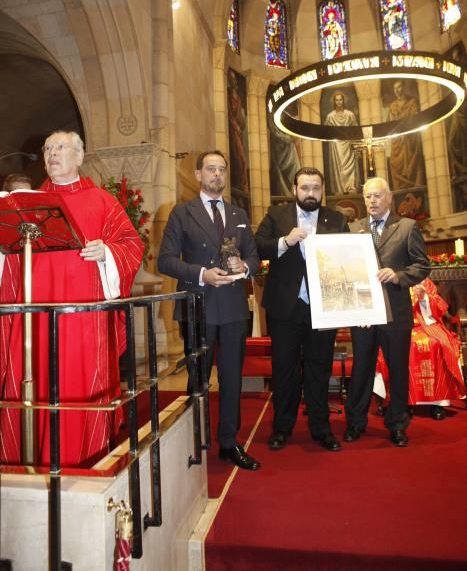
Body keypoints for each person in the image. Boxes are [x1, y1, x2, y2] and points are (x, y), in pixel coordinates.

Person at [0, 131, 144, 465]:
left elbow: (131, 245)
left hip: (83, 316)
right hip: (34, 313)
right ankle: (28, 456)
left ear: (79, 157)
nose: (52, 154)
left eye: (60, 148)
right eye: (48, 149)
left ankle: (83, 456)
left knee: (76, 381)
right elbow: (10, 254)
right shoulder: (27, 203)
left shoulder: (102, 201)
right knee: (33, 375)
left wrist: (106, 252)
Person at [158, 150, 260, 471]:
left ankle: (229, 443)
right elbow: (165, 260)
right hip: (198, 306)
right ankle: (195, 440)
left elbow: (255, 260)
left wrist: (244, 266)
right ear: (199, 175)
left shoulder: (238, 213)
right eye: (210, 169)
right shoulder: (181, 213)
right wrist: (202, 274)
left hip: (232, 309)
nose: (217, 174)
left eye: (222, 169)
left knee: (231, 380)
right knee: (198, 379)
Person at [254, 167, 349, 452]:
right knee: (284, 370)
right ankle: (282, 428)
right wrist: (286, 241)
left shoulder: (337, 219)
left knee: (319, 370)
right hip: (285, 307)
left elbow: (348, 260)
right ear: (294, 189)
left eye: (316, 188)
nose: (310, 193)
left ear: (323, 190)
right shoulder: (276, 215)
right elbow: (258, 247)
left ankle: (321, 428)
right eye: (305, 188)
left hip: (324, 307)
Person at [344, 177, 430, 447]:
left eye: (377, 196)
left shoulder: (406, 227)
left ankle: (397, 424)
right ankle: (355, 423)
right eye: (368, 196)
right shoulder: (352, 229)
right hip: (363, 313)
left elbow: (422, 265)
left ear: (389, 197)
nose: (372, 201)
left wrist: (398, 275)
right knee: (361, 369)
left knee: (397, 369)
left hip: (396, 311)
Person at [375, 278, 465, 419]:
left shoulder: (424, 281)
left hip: (427, 324)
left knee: (437, 344)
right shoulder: (390, 278)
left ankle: (438, 402)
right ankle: (404, 401)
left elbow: (437, 309)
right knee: (405, 346)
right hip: (400, 325)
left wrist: (424, 297)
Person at [386, 80, 426, 191]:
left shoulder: (412, 102)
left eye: (399, 87)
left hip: (409, 138)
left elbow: (415, 119)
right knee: (394, 162)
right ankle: (399, 188)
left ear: (403, 88)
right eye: (395, 89)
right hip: (397, 140)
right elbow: (390, 124)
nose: (397, 91)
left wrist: (405, 127)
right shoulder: (392, 106)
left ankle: (414, 184)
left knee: (411, 155)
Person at [324, 91, 359, 195]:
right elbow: (327, 131)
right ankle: (339, 188)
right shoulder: (330, 116)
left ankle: (351, 187)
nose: (339, 102)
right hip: (336, 145)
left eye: (340, 99)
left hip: (348, 143)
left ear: (343, 101)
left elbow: (356, 129)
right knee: (338, 166)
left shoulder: (350, 114)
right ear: (334, 102)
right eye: (337, 100)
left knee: (350, 165)